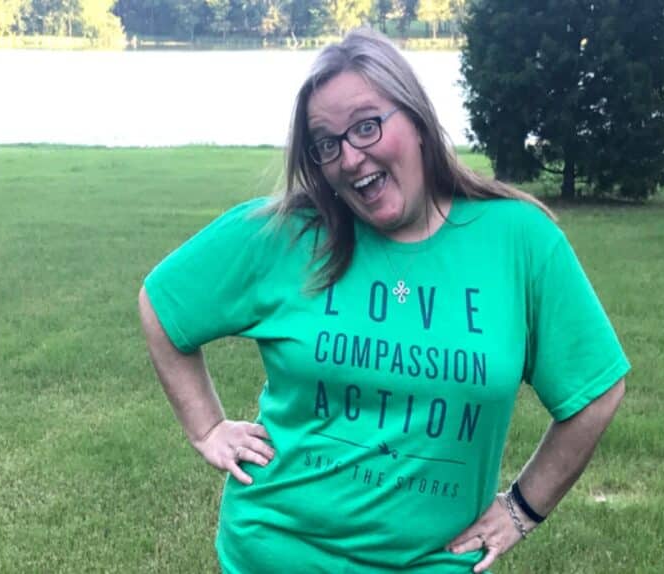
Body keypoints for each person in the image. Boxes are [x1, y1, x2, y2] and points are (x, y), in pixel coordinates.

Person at [139, 28, 630, 574]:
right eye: (327, 144)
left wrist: (520, 509)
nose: (350, 157)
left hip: (430, 562)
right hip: (274, 553)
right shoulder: (285, 234)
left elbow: (595, 390)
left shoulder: (518, 240)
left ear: (416, 119)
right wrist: (207, 428)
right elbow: (163, 304)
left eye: (367, 126)